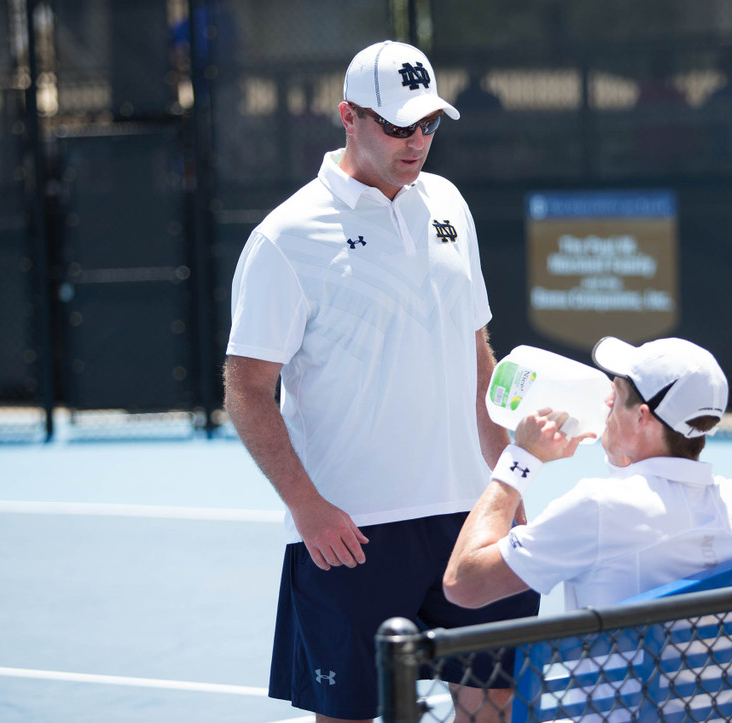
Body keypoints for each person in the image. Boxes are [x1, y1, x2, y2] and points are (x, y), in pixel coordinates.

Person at [223, 40, 539, 723]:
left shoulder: (450, 203)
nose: (417, 140)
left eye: (428, 123)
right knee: (351, 716)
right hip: (352, 531)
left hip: (468, 519)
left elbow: (477, 349)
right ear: (348, 117)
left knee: (494, 707)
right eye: (398, 125)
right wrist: (307, 506)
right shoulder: (285, 237)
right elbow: (246, 387)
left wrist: (506, 480)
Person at [443, 336, 732, 612]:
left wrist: (522, 457)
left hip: (617, 688)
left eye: (617, 395)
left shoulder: (599, 506)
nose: (605, 400)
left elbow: (463, 584)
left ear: (641, 418)